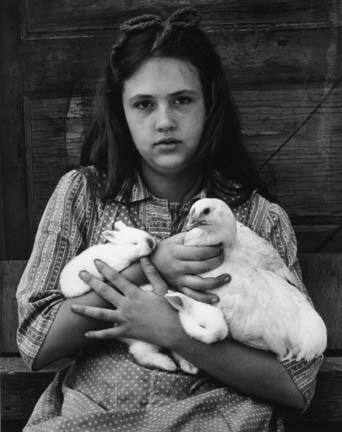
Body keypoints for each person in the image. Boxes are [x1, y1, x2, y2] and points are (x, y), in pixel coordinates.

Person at [16, 7, 323, 431]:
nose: (164, 121)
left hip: (217, 418)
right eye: (143, 104)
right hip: (99, 414)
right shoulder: (83, 196)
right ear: (119, 111)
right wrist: (152, 266)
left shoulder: (256, 219)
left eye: (182, 100)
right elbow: (36, 343)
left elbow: (297, 385)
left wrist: (174, 332)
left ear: (209, 103)